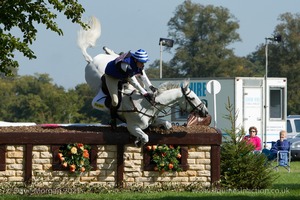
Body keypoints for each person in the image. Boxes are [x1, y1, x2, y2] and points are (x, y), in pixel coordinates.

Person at [104, 49, 157, 129]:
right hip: (112, 77)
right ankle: (113, 119)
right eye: (142, 62)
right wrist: (145, 93)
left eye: (144, 62)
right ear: (136, 60)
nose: (143, 64)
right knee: (115, 101)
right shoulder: (126, 65)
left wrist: (151, 87)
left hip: (124, 76)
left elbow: (143, 76)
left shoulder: (138, 64)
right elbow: (134, 82)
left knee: (140, 89)